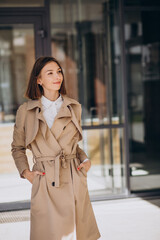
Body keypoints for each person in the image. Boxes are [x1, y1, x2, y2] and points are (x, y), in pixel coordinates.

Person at [11, 56, 101, 240]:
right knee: (47, 234)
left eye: (59, 71)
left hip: (72, 175)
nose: (57, 76)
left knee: (77, 233)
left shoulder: (74, 107)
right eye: (50, 73)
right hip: (44, 179)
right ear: (39, 80)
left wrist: (85, 160)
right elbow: (17, 148)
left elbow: (73, 145)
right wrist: (26, 172)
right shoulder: (26, 111)